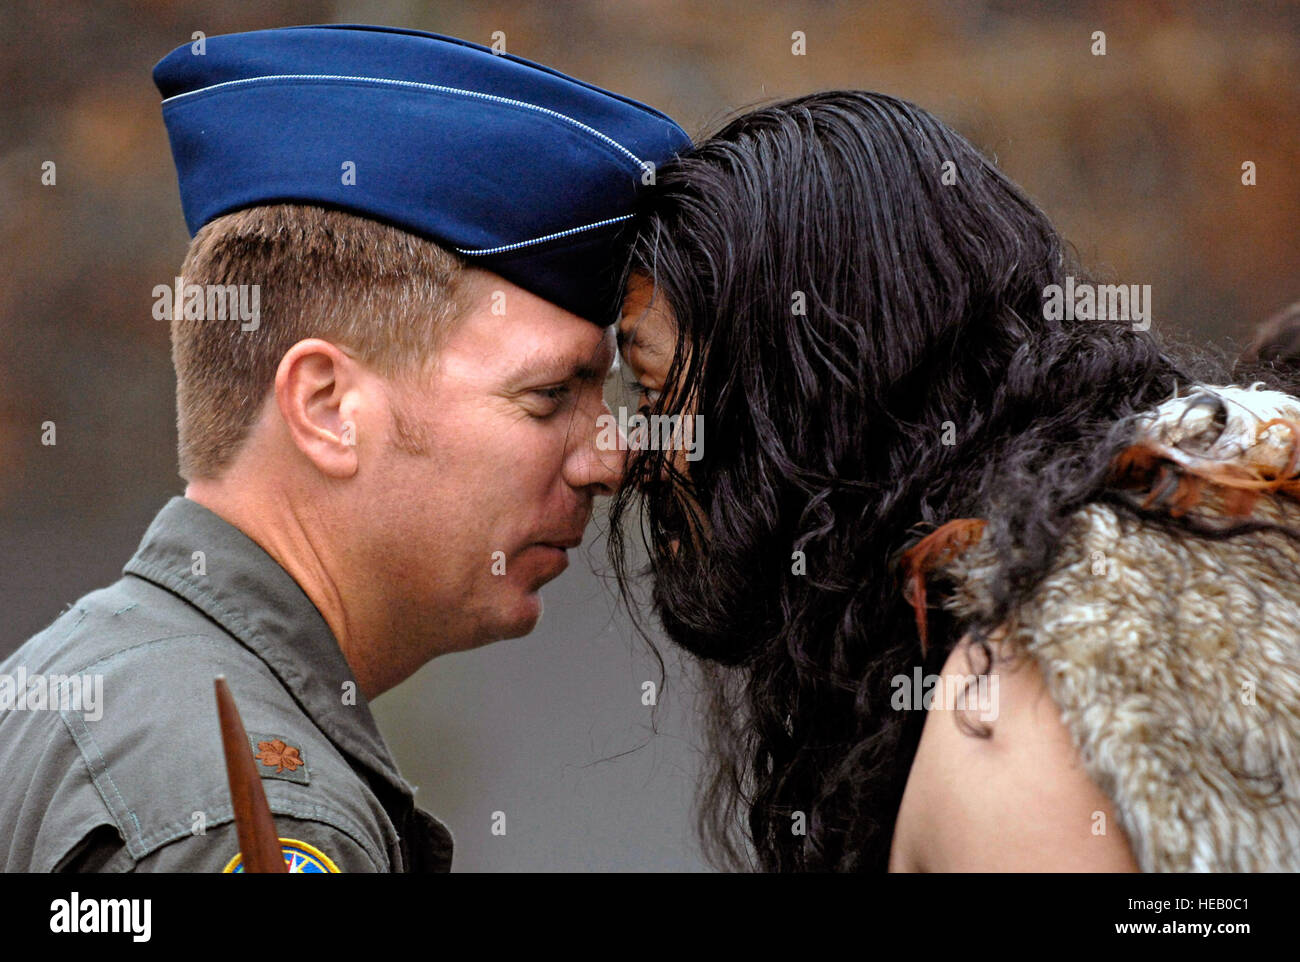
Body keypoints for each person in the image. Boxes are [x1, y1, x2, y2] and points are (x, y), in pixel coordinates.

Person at [0, 24, 686, 873]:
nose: (608, 462)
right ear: (327, 408)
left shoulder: (76, 688)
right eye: (550, 396)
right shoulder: (250, 810)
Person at [608, 90, 1300, 872]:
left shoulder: (1011, 703)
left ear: (806, 401)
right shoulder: (1145, 564)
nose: (631, 453)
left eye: (655, 392)